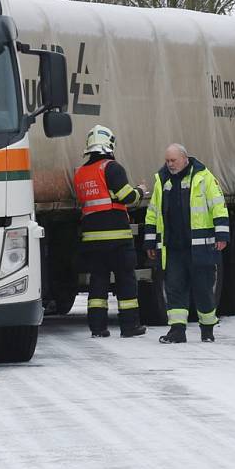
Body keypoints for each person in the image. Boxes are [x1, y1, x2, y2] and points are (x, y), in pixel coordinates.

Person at [144, 144, 229, 343]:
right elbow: (153, 212)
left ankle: (207, 329)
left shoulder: (203, 178)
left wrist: (222, 236)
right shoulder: (162, 181)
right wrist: (150, 243)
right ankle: (177, 331)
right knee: (174, 288)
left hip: (200, 247)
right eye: (167, 161)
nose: (170, 164)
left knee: (204, 289)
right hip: (173, 247)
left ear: (184, 159)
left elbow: (218, 206)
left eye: (173, 160)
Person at [73, 125, 147, 338]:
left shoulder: (80, 173)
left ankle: (97, 328)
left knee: (98, 282)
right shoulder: (112, 168)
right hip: (117, 238)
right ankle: (130, 326)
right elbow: (127, 198)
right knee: (125, 281)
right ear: (110, 145)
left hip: (92, 239)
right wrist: (140, 191)